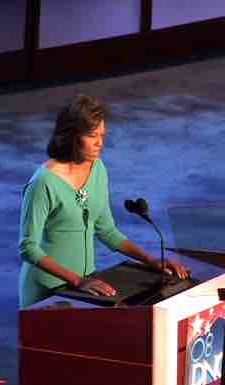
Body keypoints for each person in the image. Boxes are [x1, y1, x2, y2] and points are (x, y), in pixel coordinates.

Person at [18, 94, 188, 308]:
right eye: (92, 136)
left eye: (102, 135)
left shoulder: (98, 169)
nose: (100, 143)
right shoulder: (43, 183)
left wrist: (150, 261)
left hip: (87, 289)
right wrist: (77, 280)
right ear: (71, 135)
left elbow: (106, 231)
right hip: (47, 293)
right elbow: (28, 247)